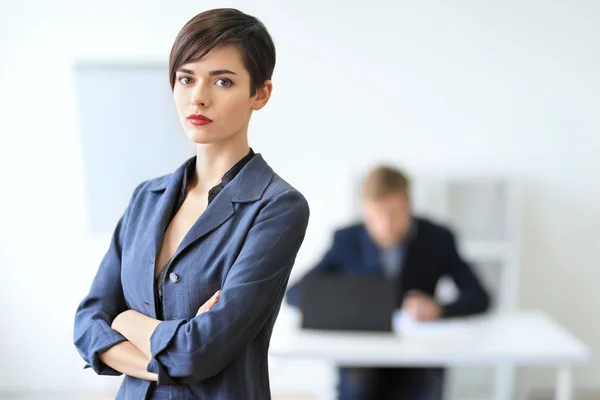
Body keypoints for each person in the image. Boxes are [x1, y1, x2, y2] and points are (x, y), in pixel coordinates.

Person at [73, 8, 310, 399]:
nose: (198, 97)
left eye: (222, 81)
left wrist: (128, 320)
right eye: (186, 78)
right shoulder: (146, 199)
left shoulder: (277, 207)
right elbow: (87, 324)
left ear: (260, 93)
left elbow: (200, 350)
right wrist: (163, 363)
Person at [286, 165, 490, 400]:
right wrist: (348, 303)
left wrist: (439, 309)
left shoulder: (438, 238)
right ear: (364, 209)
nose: (384, 224)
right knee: (358, 386)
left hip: (418, 357)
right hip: (361, 358)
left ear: (408, 205)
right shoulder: (346, 240)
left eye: (394, 213)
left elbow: (480, 296)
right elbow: (296, 293)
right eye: (375, 214)